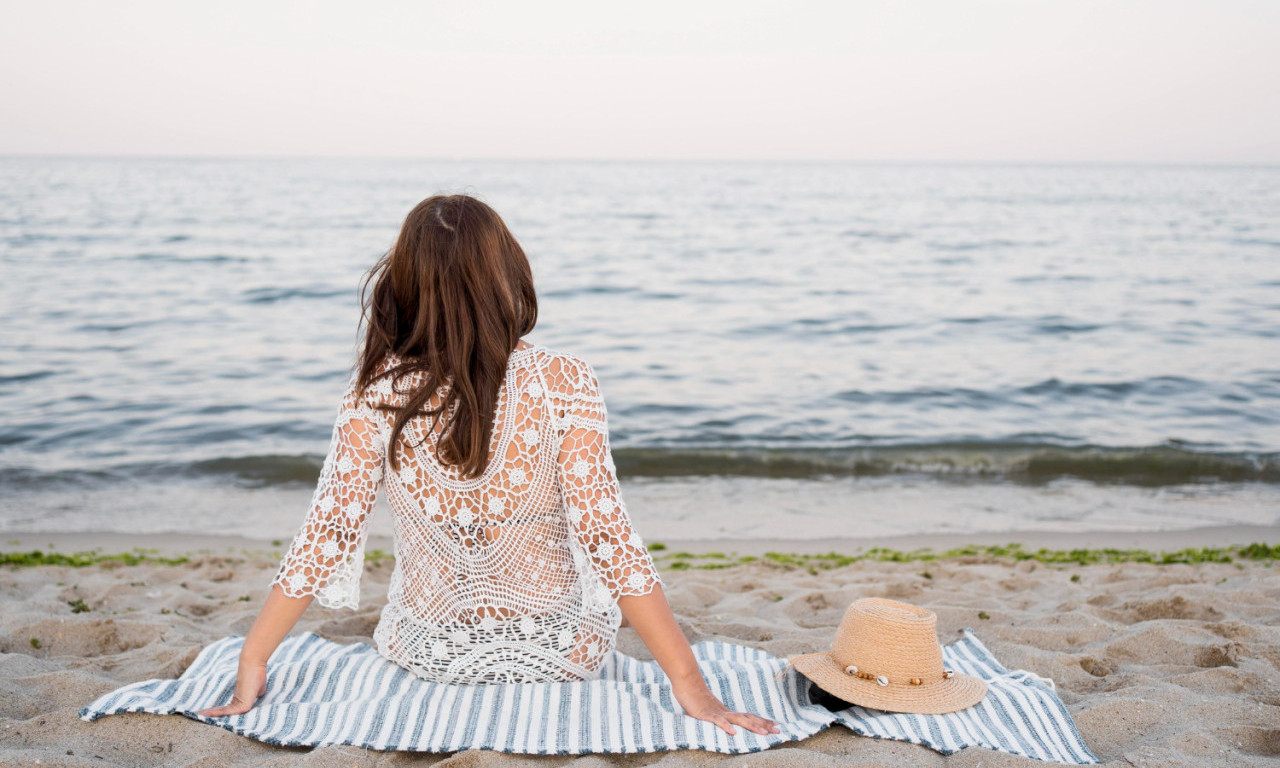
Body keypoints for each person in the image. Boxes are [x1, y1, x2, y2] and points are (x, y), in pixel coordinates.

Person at [196, 193, 779, 738]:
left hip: (427, 653)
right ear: (507, 274)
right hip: (560, 654)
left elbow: (328, 534)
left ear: (406, 284)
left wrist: (253, 658)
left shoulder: (375, 390)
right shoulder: (564, 380)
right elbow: (608, 538)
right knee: (592, 580)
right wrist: (690, 684)